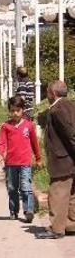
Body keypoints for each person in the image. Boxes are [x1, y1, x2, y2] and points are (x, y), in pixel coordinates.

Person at [37, 81, 75, 239]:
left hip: (63, 158)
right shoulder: (70, 105)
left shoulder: (58, 109)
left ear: (53, 93)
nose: (46, 95)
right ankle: (70, 224)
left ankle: (57, 228)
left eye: (47, 92)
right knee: (71, 192)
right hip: (69, 158)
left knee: (58, 192)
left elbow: (70, 134)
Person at [0, 96, 42, 223]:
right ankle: (13, 211)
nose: (15, 113)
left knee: (26, 187)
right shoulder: (6, 126)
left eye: (18, 110)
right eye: (12, 110)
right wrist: (0, 154)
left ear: (23, 110)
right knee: (12, 188)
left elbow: (35, 143)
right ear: (9, 111)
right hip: (10, 163)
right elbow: (1, 142)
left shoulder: (29, 126)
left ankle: (28, 210)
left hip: (25, 162)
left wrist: (38, 158)